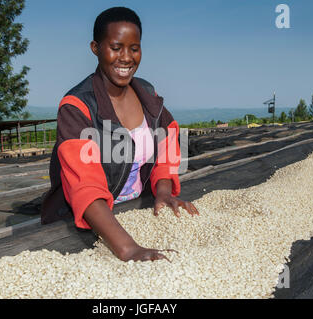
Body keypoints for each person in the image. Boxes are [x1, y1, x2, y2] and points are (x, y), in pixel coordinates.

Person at [41, 7, 199, 262]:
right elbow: (85, 186)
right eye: (116, 47)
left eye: (134, 48)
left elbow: (168, 143)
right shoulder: (77, 106)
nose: (126, 57)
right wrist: (127, 248)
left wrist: (163, 190)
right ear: (96, 48)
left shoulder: (149, 95)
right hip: (92, 221)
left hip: (136, 207)